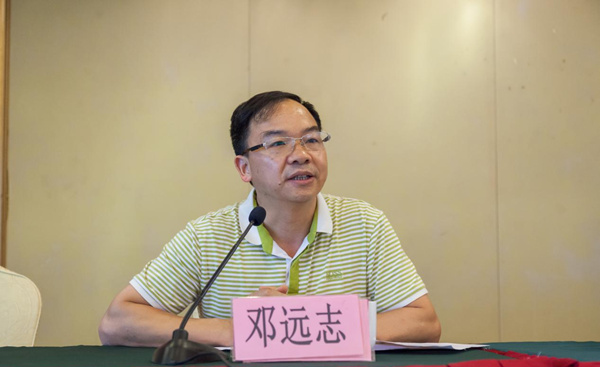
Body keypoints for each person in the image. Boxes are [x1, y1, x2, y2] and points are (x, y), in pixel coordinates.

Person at [98, 91, 441, 347]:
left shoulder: (365, 224)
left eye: (311, 139)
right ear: (244, 168)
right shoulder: (208, 236)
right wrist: (237, 329)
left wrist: (298, 319)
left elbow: (424, 323)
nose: (301, 155)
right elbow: (117, 323)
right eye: (277, 143)